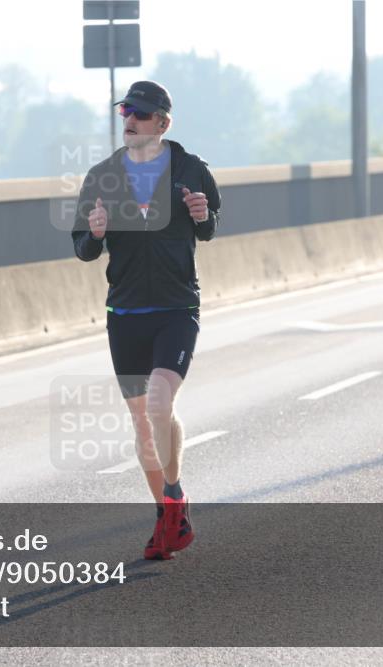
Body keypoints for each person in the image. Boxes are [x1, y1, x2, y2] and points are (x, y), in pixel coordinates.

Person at [70, 80, 221, 560]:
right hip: (125, 313)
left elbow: (209, 227)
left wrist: (202, 215)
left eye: (139, 113)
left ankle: (174, 494)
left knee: (159, 402)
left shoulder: (191, 168)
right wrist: (95, 234)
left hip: (176, 307)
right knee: (142, 422)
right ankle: (167, 516)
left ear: (162, 123)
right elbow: (82, 248)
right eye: (125, 112)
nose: (130, 120)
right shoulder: (102, 176)